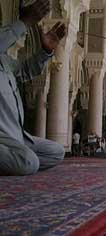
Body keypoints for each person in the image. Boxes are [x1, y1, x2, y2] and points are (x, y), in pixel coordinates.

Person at [0, 0, 66, 176]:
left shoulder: (4, 61)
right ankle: (21, 159)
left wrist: (45, 51)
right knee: (28, 162)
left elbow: (25, 71)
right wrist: (25, 22)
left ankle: (19, 158)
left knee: (56, 152)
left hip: (14, 135)